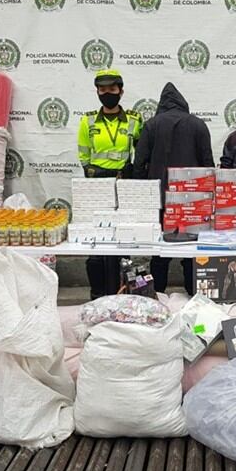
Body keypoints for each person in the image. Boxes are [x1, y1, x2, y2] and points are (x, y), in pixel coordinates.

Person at [133, 82, 214, 294]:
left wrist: (141, 194)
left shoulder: (151, 125)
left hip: (160, 197)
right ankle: (193, 295)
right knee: (192, 248)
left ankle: (156, 295)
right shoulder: (198, 125)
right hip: (192, 197)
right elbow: (208, 164)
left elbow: (139, 163)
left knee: (160, 250)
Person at [77, 69, 143, 299]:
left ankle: (121, 292)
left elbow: (140, 151)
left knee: (122, 240)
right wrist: (93, 173)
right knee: (96, 242)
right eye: (102, 90)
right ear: (97, 92)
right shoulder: (88, 121)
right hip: (96, 186)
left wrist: (131, 172)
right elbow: (84, 154)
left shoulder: (135, 119)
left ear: (121, 91)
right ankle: (97, 295)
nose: (107, 93)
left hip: (123, 185)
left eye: (112, 89)